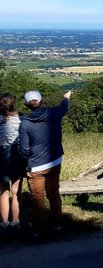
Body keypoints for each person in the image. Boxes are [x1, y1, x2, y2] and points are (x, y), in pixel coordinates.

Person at [18, 90, 71, 237]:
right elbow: (63, 107)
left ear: (27, 105)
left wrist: (27, 160)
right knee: (54, 194)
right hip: (55, 161)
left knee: (37, 199)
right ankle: (57, 224)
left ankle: (38, 229)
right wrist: (66, 98)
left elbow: (24, 149)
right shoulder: (54, 114)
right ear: (42, 101)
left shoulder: (25, 124)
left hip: (36, 166)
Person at [0, 93, 25, 230]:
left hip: (1, 155)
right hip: (16, 155)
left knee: (3, 191)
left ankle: (4, 222)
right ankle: (16, 220)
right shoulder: (20, 118)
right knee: (16, 192)